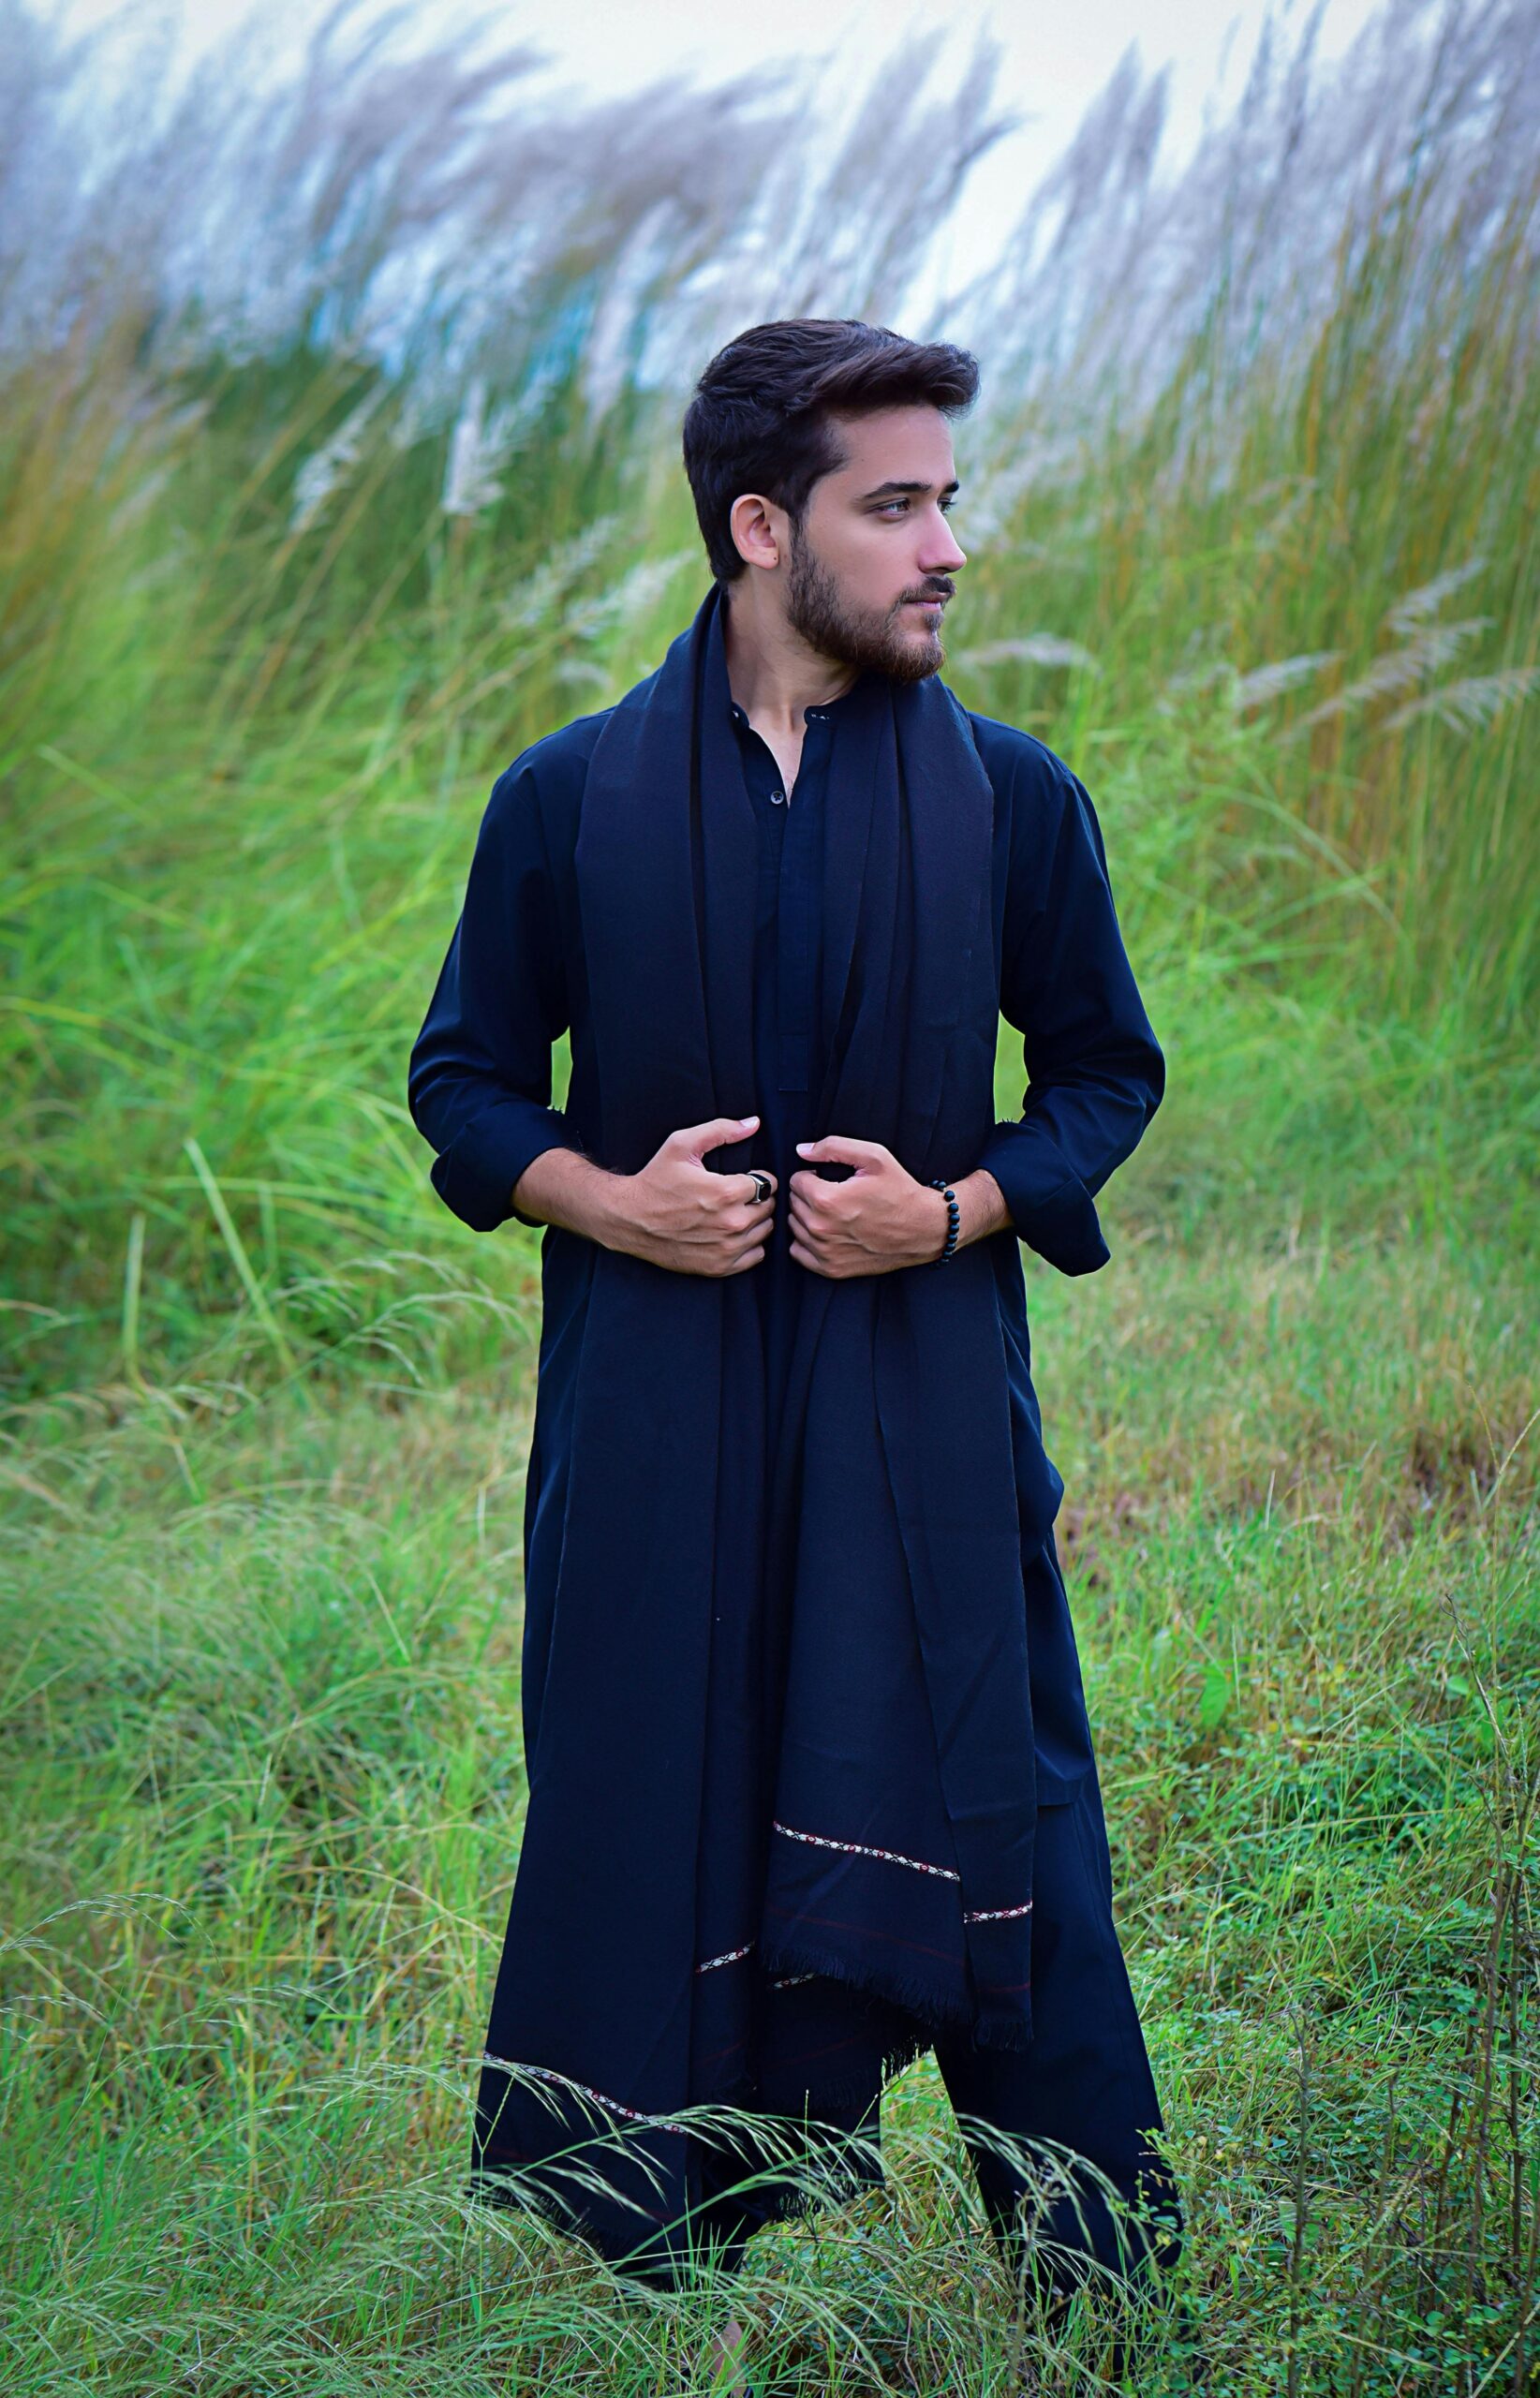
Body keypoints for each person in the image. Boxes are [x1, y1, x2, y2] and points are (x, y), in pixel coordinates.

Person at [407, 318, 1184, 2388]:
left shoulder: (1015, 801)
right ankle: (671, 2292)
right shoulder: (567, 800)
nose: (951, 545)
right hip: (653, 1419)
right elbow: (467, 1081)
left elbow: (1106, 1072)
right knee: (655, 1783)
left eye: (950, 498)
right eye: (898, 504)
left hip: (923, 1402)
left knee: (990, 1792)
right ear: (764, 527)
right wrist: (611, 1198)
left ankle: (1099, 2285)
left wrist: (950, 1209)